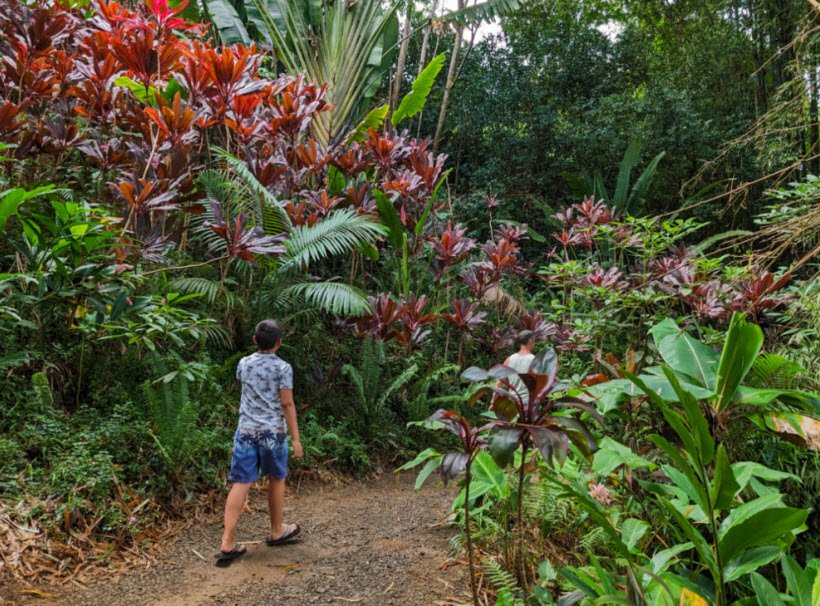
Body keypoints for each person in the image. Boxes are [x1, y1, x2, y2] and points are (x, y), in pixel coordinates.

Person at [217, 319, 303, 567]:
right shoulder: (283, 368)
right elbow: (287, 403)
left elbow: (244, 388)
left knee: (241, 481)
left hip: (246, 432)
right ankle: (277, 531)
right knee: (277, 477)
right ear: (279, 343)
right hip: (272, 433)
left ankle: (228, 540)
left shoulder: (243, 363)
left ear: (254, 340)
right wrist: (295, 438)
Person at [500, 330, 536, 402]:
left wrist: (492, 402)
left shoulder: (509, 359)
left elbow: (499, 383)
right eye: (534, 340)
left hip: (513, 402)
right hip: (528, 402)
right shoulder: (534, 360)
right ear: (530, 341)